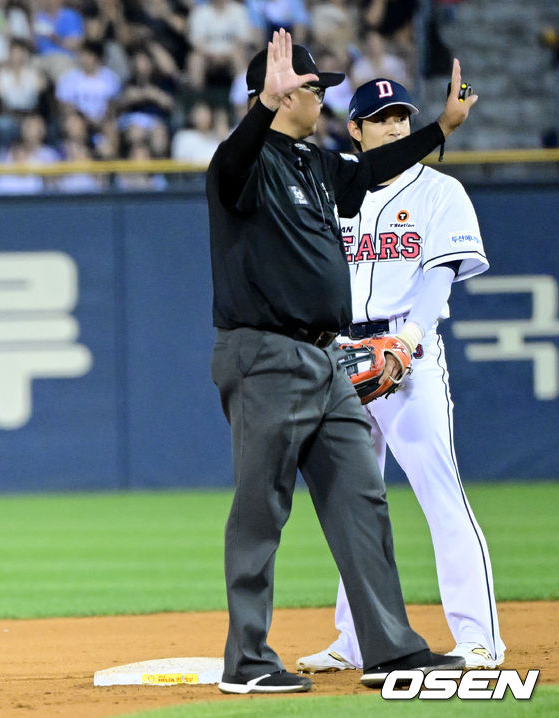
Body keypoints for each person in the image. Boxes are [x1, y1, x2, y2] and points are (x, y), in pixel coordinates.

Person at [206, 30, 474, 694]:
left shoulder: (314, 163)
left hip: (329, 361)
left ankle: (390, 650)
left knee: (362, 497)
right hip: (264, 354)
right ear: (278, 94)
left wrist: (442, 125)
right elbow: (235, 155)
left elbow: (378, 168)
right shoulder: (243, 164)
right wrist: (262, 108)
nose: (323, 95)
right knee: (261, 508)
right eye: (312, 86)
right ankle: (246, 661)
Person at [296, 78, 504, 675]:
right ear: (355, 130)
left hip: (405, 355)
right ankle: (356, 639)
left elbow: (438, 284)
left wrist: (406, 344)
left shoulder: (440, 192)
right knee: (350, 504)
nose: (394, 127)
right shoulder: (331, 188)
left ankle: (479, 639)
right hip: (338, 353)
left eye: (402, 117)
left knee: (440, 491)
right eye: (381, 118)